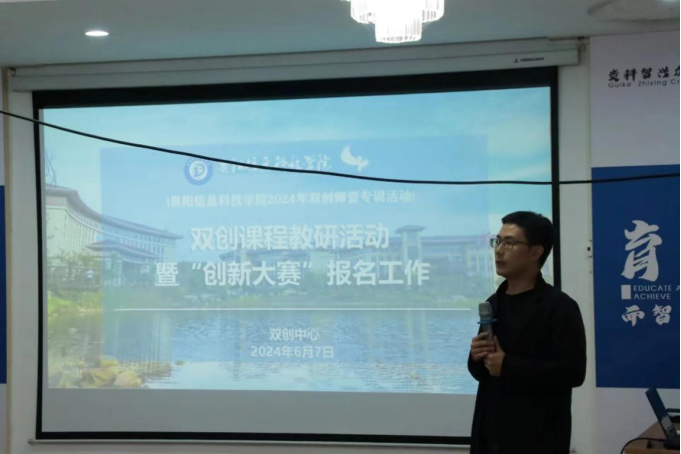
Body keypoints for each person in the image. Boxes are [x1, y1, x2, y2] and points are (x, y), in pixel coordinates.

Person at [468, 212, 587, 454]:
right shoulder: (493, 303)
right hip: (490, 435)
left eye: (510, 243)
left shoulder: (559, 307)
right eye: (497, 241)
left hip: (537, 438)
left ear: (536, 252)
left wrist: (508, 365)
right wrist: (476, 356)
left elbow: (573, 373)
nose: (499, 250)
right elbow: (482, 372)